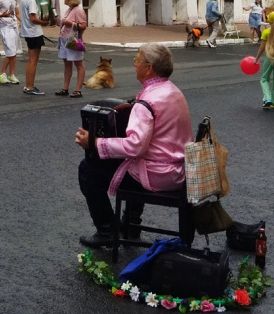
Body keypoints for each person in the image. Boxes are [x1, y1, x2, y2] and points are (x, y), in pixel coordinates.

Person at [74, 44, 193, 247]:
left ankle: (107, 231)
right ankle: (131, 224)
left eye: (137, 60)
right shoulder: (174, 91)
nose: (134, 64)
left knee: (87, 170)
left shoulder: (147, 101)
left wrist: (94, 143)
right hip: (179, 169)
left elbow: (135, 147)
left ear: (149, 68)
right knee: (130, 161)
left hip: (159, 174)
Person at [19, 0, 50, 95]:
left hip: (28, 32)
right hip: (34, 33)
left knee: (30, 61)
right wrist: (44, 22)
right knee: (33, 61)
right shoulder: (31, 0)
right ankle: (30, 87)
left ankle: (28, 85)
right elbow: (33, 18)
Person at [56, 0, 87, 97]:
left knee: (79, 63)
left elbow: (83, 25)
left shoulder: (78, 10)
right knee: (67, 64)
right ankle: (65, 88)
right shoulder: (69, 9)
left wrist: (71, 23)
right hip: (64, 39)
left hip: (73, 40)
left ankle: (78, 90)